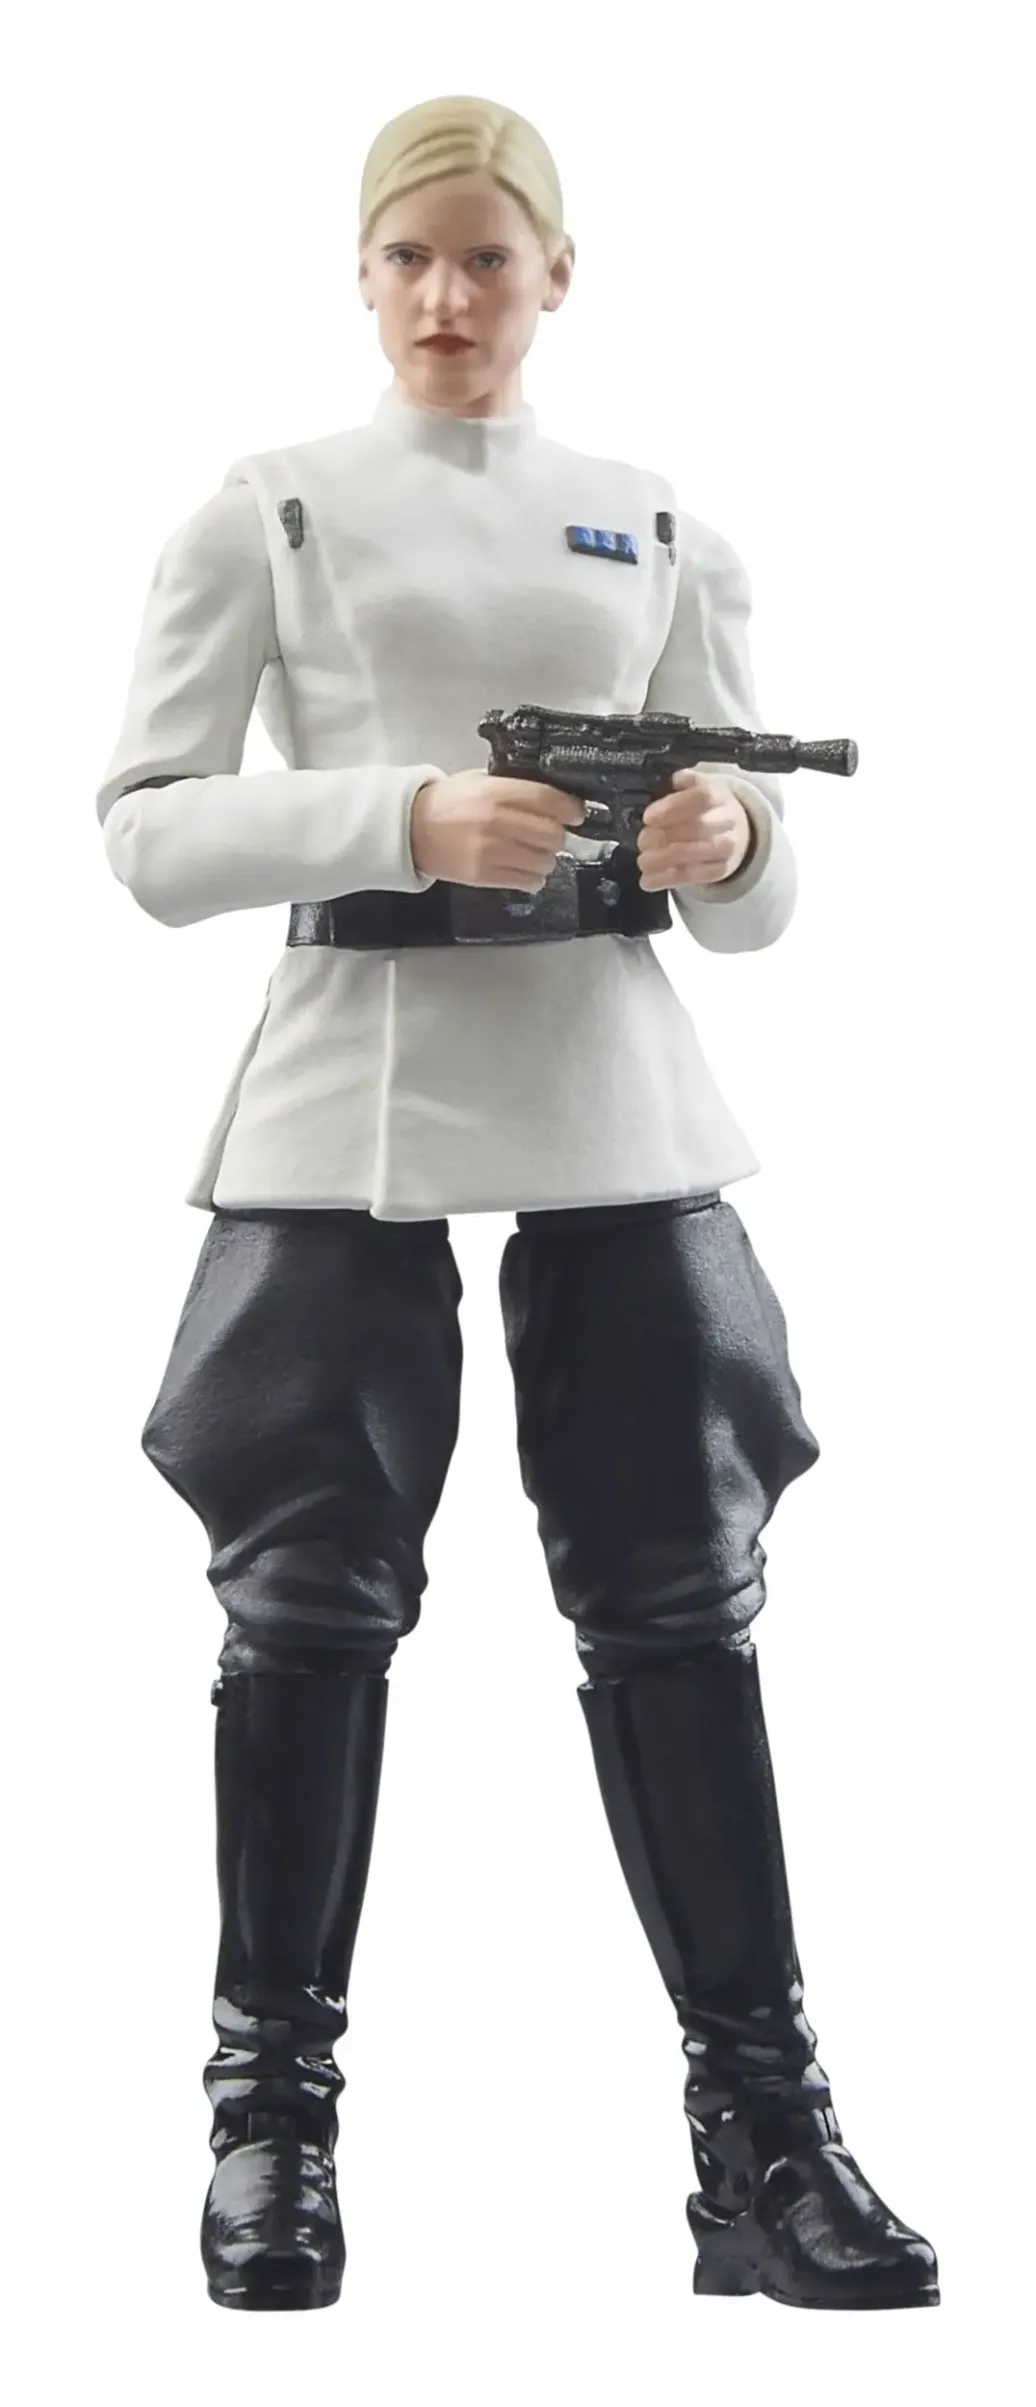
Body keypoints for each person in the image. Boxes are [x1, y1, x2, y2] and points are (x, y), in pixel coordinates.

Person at [95, 91, 939, 2315]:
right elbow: (149, 830)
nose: (448, 297)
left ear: (556, 272)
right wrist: (393, 815)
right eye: (410, 257)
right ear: (361, 276)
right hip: (352, 1080)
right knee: (303, 1597)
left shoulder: (652, 522)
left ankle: (762, 2130)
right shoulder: (266, 509)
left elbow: (757, 878)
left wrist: (728, 844)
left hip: (601, 1077)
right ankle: (267, 2119)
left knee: (680, 1586)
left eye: (488, 256)